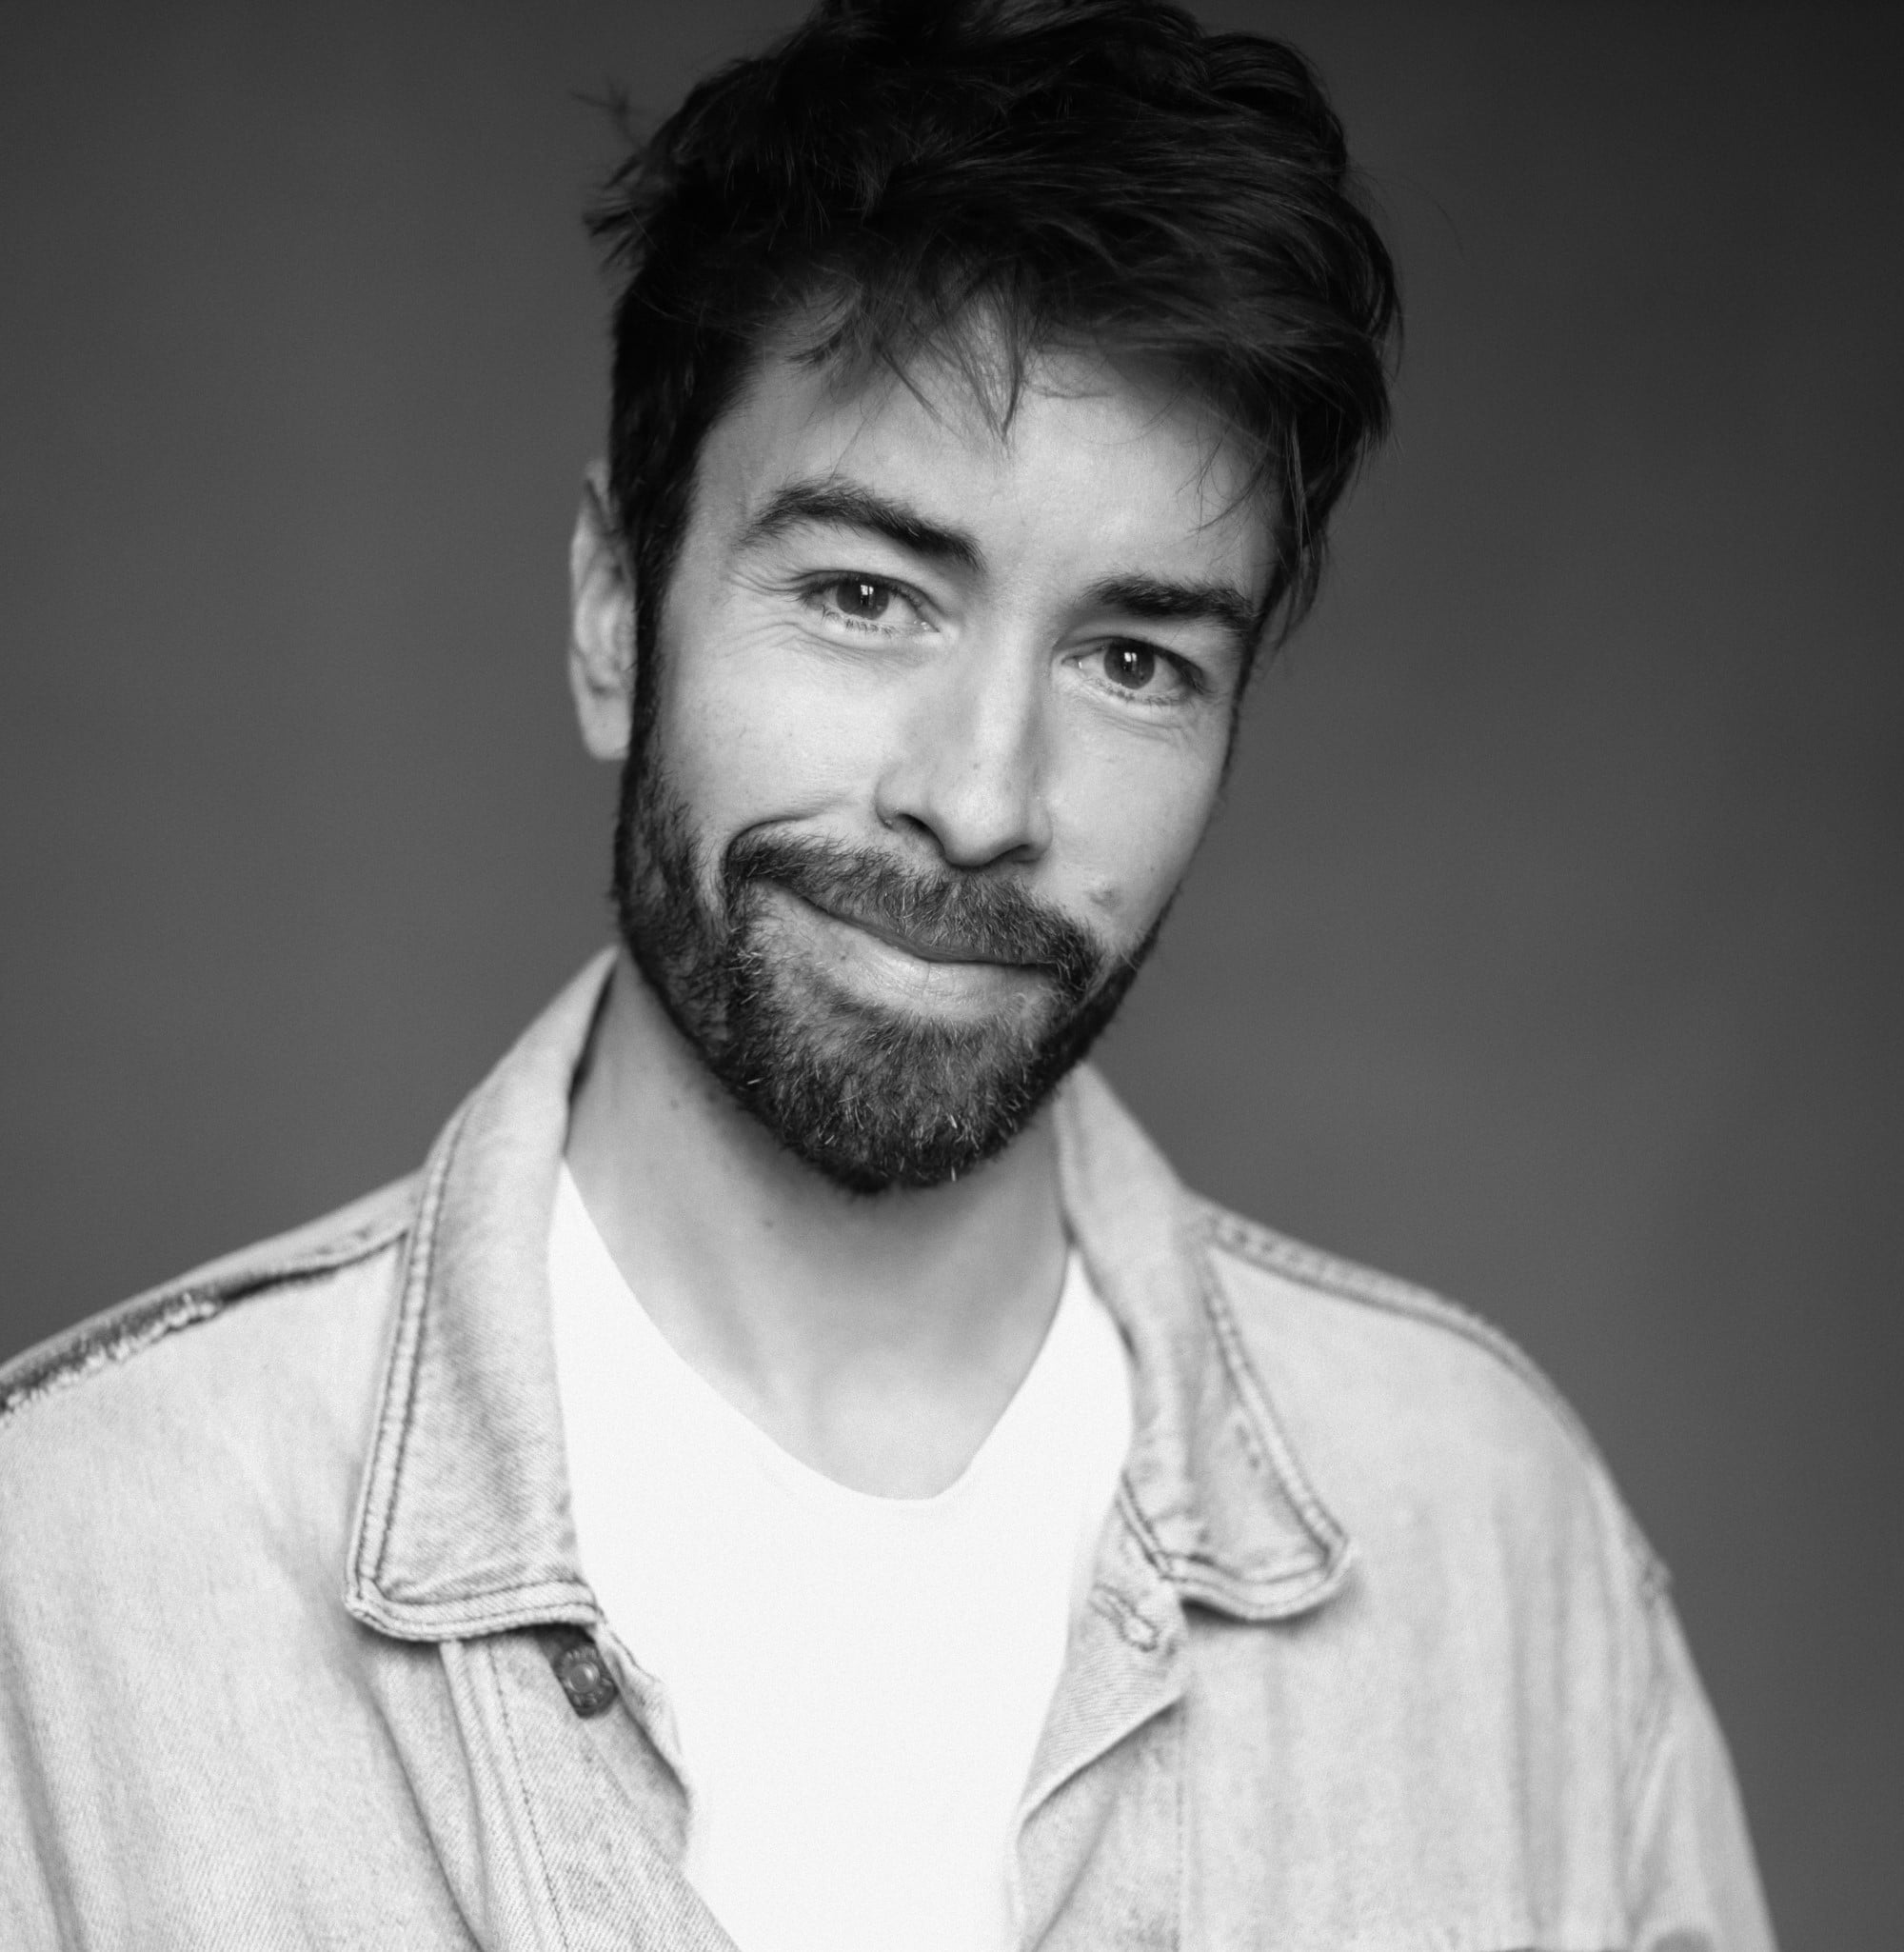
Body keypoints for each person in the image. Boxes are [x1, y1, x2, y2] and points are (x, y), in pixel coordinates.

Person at [0, 1, 1776, 1946]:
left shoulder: (1495, 1549)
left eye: (1135, 659)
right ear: (615, 614)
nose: (982, 798)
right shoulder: (76, 1573)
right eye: (865, 594)